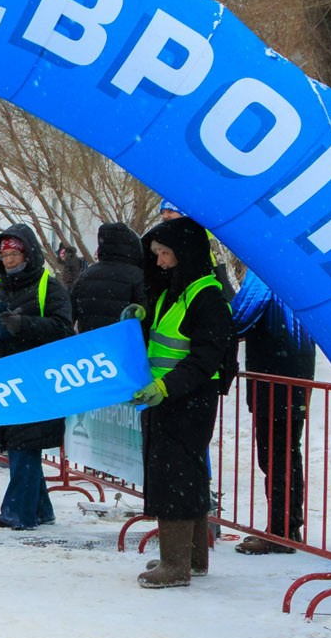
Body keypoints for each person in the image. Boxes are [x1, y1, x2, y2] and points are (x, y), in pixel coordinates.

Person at [133, 215, 236, 590]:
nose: (159, 262)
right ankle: (191, 558)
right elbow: (162, 339)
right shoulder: (175, 292)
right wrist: (139, 320)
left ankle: (175, 565)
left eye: (165, 253)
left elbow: (205, 358)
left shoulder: (206, 297)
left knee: (173, 475)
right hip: (170, 397)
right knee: (187, 474)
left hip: (187, 398)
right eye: (157, 254)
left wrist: (166, 387)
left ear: (186, 253)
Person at [0, 225, 73, 530]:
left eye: (14, 255)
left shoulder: (49, 286)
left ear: (28, 254)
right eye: (4, 256)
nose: (8, 261)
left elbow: (63, 328)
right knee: (19, 443)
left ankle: (18, 513)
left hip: (37, 377)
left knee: (24, 444)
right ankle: (41, 510)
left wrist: (23, 323)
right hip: (4, 375)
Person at [228, 269, 316, 554]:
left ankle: (280, 531)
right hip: (295, 374)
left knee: (276, 456)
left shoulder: (265, 272)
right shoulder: (299, 273)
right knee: (288, 453)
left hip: (275, 375)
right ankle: (288, 527)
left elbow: (237, 320)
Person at [71, 221, 147, 332]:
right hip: (124, 339)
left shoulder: (86, 275)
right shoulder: (137, 276)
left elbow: (70, 314)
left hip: (91, 340)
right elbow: (146, 315)